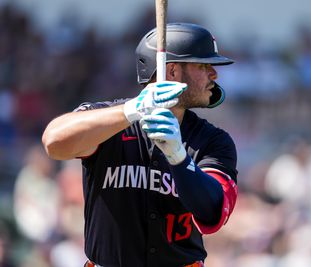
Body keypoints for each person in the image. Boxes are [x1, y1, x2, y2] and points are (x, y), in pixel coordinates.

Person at [42, 23, 238, 267]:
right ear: (172, 71)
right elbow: (54, 143)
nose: (214, 74)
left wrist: (178, 157)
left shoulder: (214, 141)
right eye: (203, 65)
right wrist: (131, 110)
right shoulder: (108, 119)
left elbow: (212, 213)